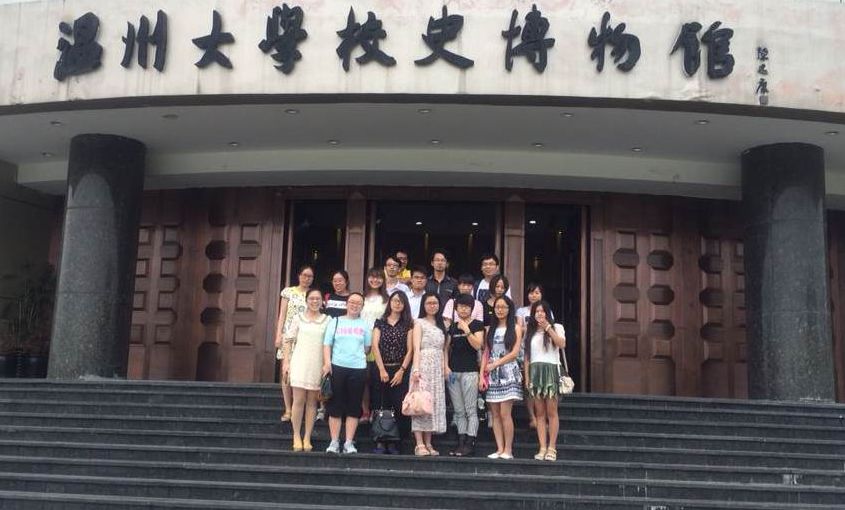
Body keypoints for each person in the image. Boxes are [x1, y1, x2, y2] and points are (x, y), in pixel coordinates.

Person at [322, 293, 372, 454]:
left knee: (354, 406)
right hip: (337, 367)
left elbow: (367, 348)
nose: (355, 305)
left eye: (359, 303)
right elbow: (327, 344)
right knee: (335, 405)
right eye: (352, 302)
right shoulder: (335, 321)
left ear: (362, 306)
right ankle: (334, 442)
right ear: (346, 304)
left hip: (358, 369)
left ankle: (349, 442)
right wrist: (327, 363)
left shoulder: (365, 325)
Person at [283, 288, 330, 452]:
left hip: (317, 364)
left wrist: (327, 364)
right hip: (299, 362)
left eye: (318, 299)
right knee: (298, 400)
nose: (314, 301)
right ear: (306, 300)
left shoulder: (327, 320)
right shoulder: (298, 318)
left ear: (322, 301)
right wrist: (286, 362)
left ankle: (307, 437)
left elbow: (329, 344)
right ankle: (296, 435)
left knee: (312, 402)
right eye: (311, 298)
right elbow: (288, 340)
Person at [371, 291, 414, 454]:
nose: (397, 304)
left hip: (400, 370)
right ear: (390, 302)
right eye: (395, 300)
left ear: (405, 305)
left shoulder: (408, 324)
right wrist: (382, 369)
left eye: (401, 302)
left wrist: (402, 371)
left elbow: (410, 350)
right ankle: (381, 440)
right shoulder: (380, 322)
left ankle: (395, 441)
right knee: (381, 405)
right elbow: (375, 346)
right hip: (381, 368)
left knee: (398, 405)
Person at [480, 296, 523, 460]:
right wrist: (481, 375)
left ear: (509, 309)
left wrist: (496, 364)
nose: (500, 310)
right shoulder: (490, 329)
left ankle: (508, 449)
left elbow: (515, 353)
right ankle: (499, 448)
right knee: (495, 414)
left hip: (508, 372)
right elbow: (486, 352)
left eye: (503, 307)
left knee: (505, 413)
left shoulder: (516, 328)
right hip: (492, 374)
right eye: (497, 307)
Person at [524, 300, 566, 462]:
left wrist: (548, 327)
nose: (539, 314)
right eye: (536, 312)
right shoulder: (530, 331)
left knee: (552, 412)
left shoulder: (557, 327)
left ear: (547, 313)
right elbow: (527, 357)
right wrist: (527, 377)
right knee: (539, 413)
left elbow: (561, 344)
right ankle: (542, 447)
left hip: (550, 372)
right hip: (535, 372)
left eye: (542, 311)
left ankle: (552, 447)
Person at [444, 293, 485, 457]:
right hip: (454, 373)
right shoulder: (452, 327)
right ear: (456, 308)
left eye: (467, 307)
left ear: (472, 308)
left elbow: (478, 345)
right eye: (461, 306)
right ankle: (461, 443)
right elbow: (446, 348)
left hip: (470, 372)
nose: (463, 309)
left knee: (470, 410)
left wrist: (467, 330)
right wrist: (446, 366)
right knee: (459, 410)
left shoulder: (477, 325)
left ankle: (470, 442)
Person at [275, 265, 314, 422]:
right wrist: (278, 335)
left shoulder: (313, 295)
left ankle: (300, 408)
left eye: (310, 276)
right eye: (304, 275)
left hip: (305, 338)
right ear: (299, 275)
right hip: (288, 336)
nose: (306, 278)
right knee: (286, 373)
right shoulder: (288, 292)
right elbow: (282, 315)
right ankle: (288, 409)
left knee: (302, 372)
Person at [410, 292, 448, 456]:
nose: (432, 306)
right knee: (420, 403)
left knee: (431, 403)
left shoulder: (442, 324)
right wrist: (416, 369)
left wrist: (445, 366)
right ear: (423, 305)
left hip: (437, 367)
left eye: (435, 303)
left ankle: (429, 442)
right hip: (423, 365)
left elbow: (444, 349)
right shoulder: (418, 323)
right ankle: (419, 444)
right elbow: (416, 347)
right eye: (429, 303)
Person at [515, 282, 553, 429]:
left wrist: (531, 326)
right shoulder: (521, 311)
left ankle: (543, 416)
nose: (533, 295)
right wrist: (534, 326)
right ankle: (533, 417)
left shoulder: (547, 311)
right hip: (525, 350)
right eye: (531, 292)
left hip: (543, 351)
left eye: (537, 292)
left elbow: (550, 327)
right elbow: (519, 329)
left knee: (543, 387)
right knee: (529, 386)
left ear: (541, 295)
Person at [360, 267, 389, 422]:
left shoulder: (386, 299)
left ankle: (376, 410)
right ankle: (365, 410)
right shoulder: (361, 297)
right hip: (361, 341)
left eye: (379, 277)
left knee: (377, 378)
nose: (375, 280)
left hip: (380, 341)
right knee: (363, 378)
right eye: (372, 277)